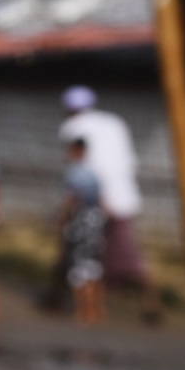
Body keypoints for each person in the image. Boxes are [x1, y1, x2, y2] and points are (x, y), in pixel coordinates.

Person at [58, 85, 160, 321]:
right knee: (126, 255)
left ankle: (83, 307)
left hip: (94, 204)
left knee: (78, 254)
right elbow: (129, 161)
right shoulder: (115, 122)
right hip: (125, 199)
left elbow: (84, 168)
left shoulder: (72, 128)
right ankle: (149, 303)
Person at [58, 139, 106, 325]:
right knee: (94, 265)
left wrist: (61, 219)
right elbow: (102, 201)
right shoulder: (93, 174)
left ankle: (83, 310)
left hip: (80, 223)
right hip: (95, 222)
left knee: (78, 267)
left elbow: (72, 200)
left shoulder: (75, 173)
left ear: (76, 151)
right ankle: (98, 309)